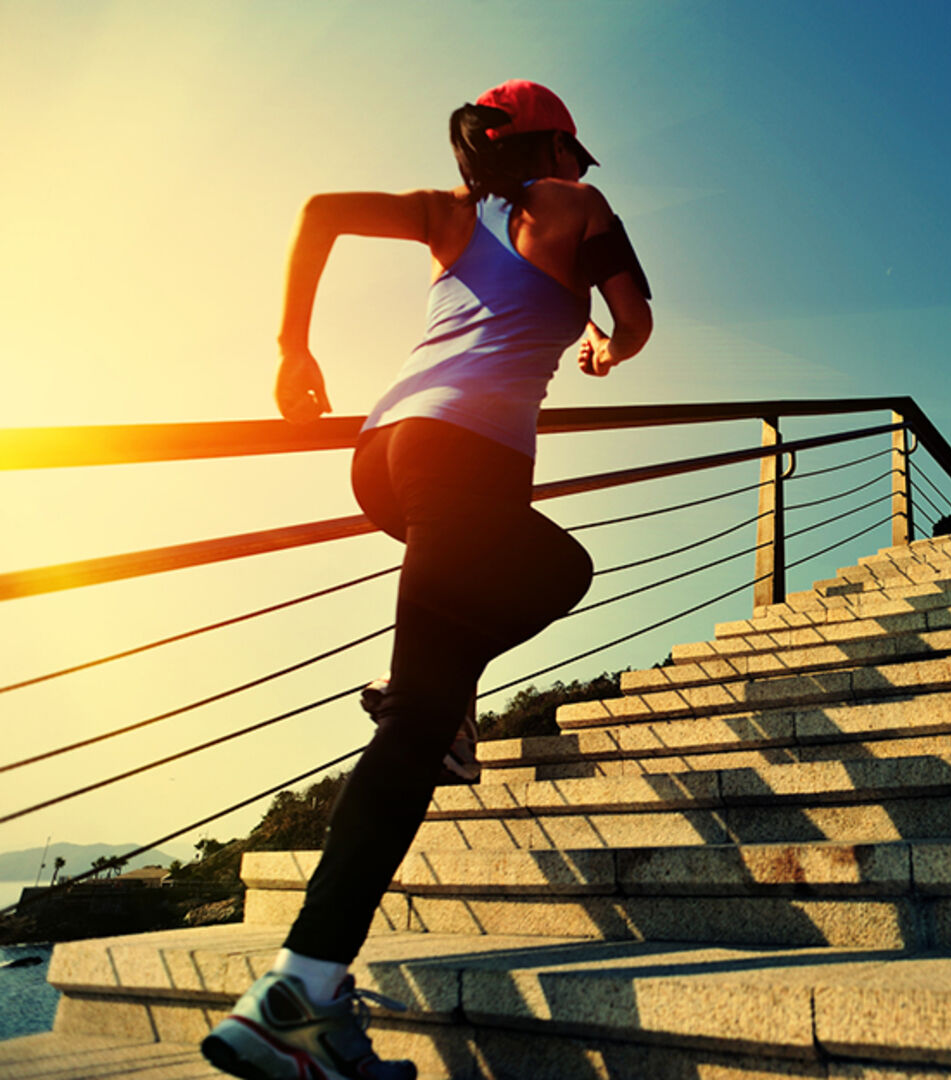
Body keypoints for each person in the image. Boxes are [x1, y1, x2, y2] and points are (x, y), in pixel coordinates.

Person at [201, 80, 652, 1080]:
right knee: (440, 693)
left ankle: (442, 709)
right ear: (553, 148)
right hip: (465, 463)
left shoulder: (447, 215)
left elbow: (319, 214)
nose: (579, 173)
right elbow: (637, 317)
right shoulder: (577, 209)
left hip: (384, 455)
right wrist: (604, 348)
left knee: (552, 570)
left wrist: (290, 350)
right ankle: (297, 994)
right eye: (574, 154)